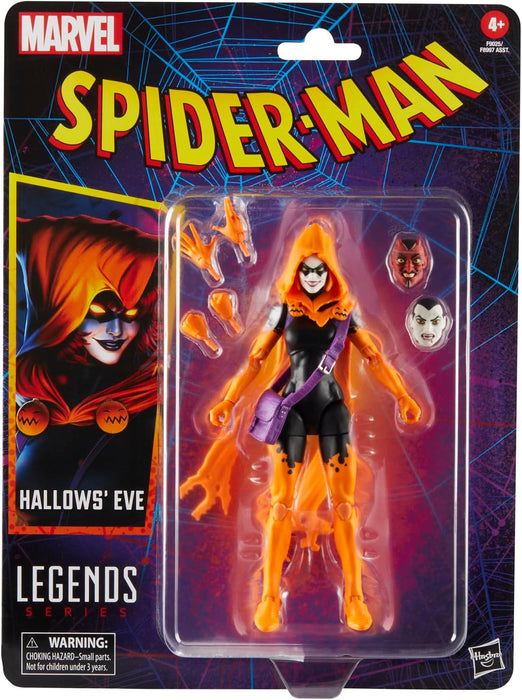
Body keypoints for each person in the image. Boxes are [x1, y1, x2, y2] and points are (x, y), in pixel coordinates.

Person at [182, 222, 421, 632]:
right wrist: (228, 400)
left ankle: (355, 597)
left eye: (319, 270)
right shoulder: (283, 312)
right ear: (295, 270)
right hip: (291, 411)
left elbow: (375, 358)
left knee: (344, 506)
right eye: (305, 270)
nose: (312, 277)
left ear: (331, 271)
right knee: (279, 506)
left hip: (331, 412)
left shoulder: (345, 315)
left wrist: (402, 395)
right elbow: (255, 360)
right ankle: (269, 597)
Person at [15, 215, 158, 528]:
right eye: (99, 314)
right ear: (62, 308)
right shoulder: (30, 393)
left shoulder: (146, 400)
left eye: (131, 315)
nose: (117, 330)